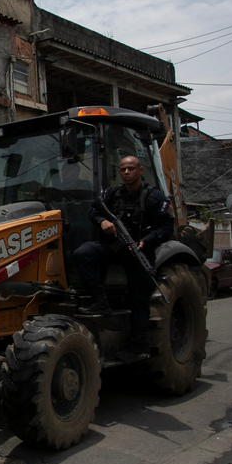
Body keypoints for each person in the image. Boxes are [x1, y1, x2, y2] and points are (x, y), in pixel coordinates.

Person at [73, 155, 175, 363]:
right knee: (83, 253)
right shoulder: (113, 194)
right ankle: (100, 301)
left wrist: (146, 241)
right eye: (123, 169)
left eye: (131, 168)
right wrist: (102, 221)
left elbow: (166, 228)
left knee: (139, 299)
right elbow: (93, 212)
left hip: (139, 252)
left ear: (140, 170)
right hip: (116, 247)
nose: (127, 172)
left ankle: (137, 346)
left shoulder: (154, 198)